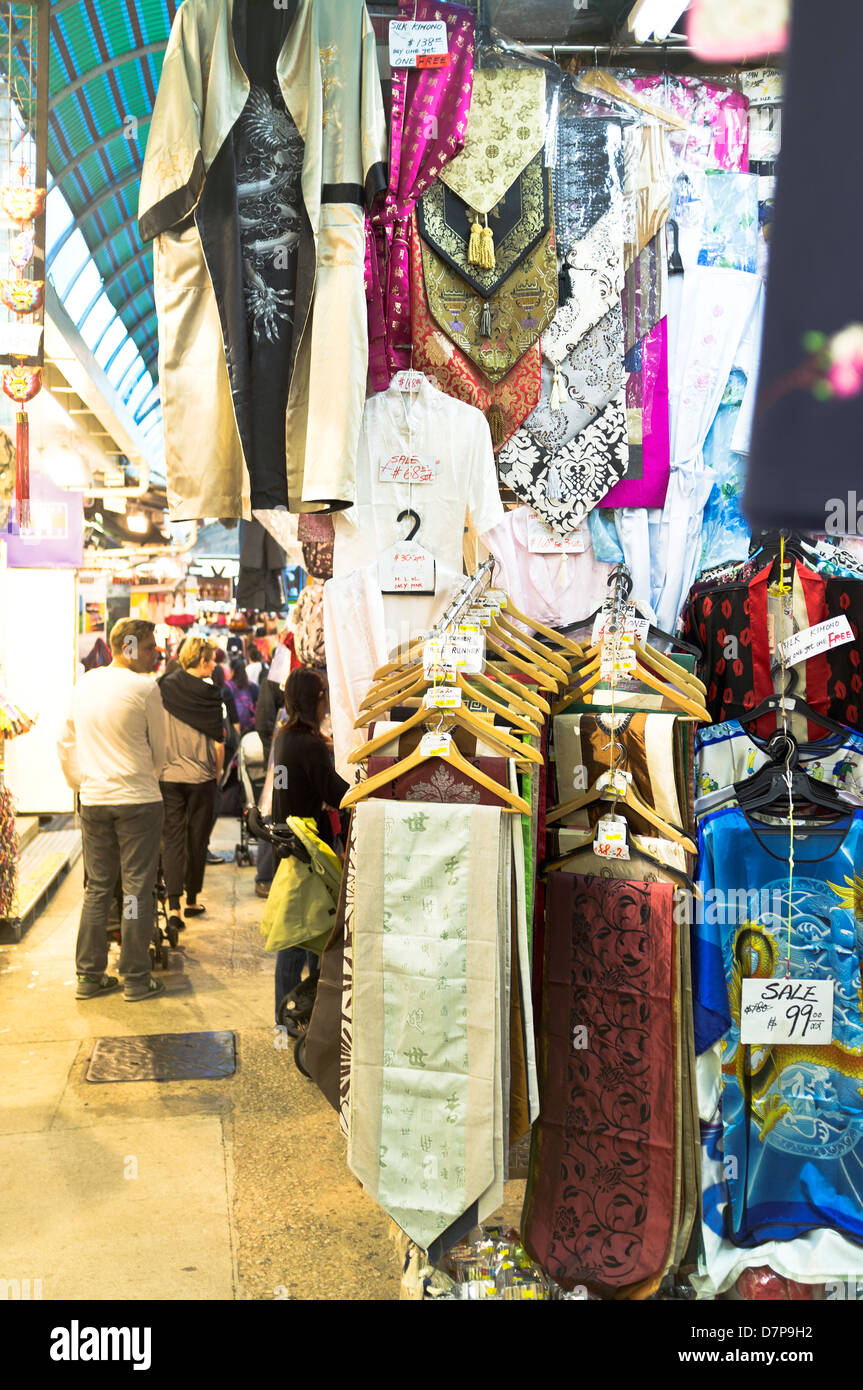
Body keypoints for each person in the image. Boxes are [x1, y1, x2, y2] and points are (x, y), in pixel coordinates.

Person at [57, 617, 167, 1002]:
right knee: (137, 888)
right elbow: (162, 752)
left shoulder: (85, 683)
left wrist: (80, 783)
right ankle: (136, 978)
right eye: (151, 647)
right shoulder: (145, 687)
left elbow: (64, 740)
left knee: (97, 887)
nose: (156, 654)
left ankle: (89, 976)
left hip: (95, 800)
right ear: (130, 648)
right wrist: (144, 779)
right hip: (138, 800)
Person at [269, 667, 348, 1018]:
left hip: (292, 841)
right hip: (308, 845)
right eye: (324, 697)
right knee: (309, 930)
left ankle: (296, 1010)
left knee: (301, 928)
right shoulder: (309, 743)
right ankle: (296, 1013)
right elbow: (334, 791)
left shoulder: (286, 736)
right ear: (315, 700)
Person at [157, 636, 226, 933]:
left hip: (168, 776)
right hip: (200, 777)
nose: (214, 664)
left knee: (171, 838)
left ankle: (173, 906)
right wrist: (218, 774)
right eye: (211, 659)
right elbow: (219, 743)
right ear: (201, 660)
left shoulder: (163, 687)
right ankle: (192, 900)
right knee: (196, 838)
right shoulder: (211, 695)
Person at [227, 658, 258, 734]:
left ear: (232, 671)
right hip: (251, 730)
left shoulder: (228, 688)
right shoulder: (254, 687)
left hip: (233, 731)